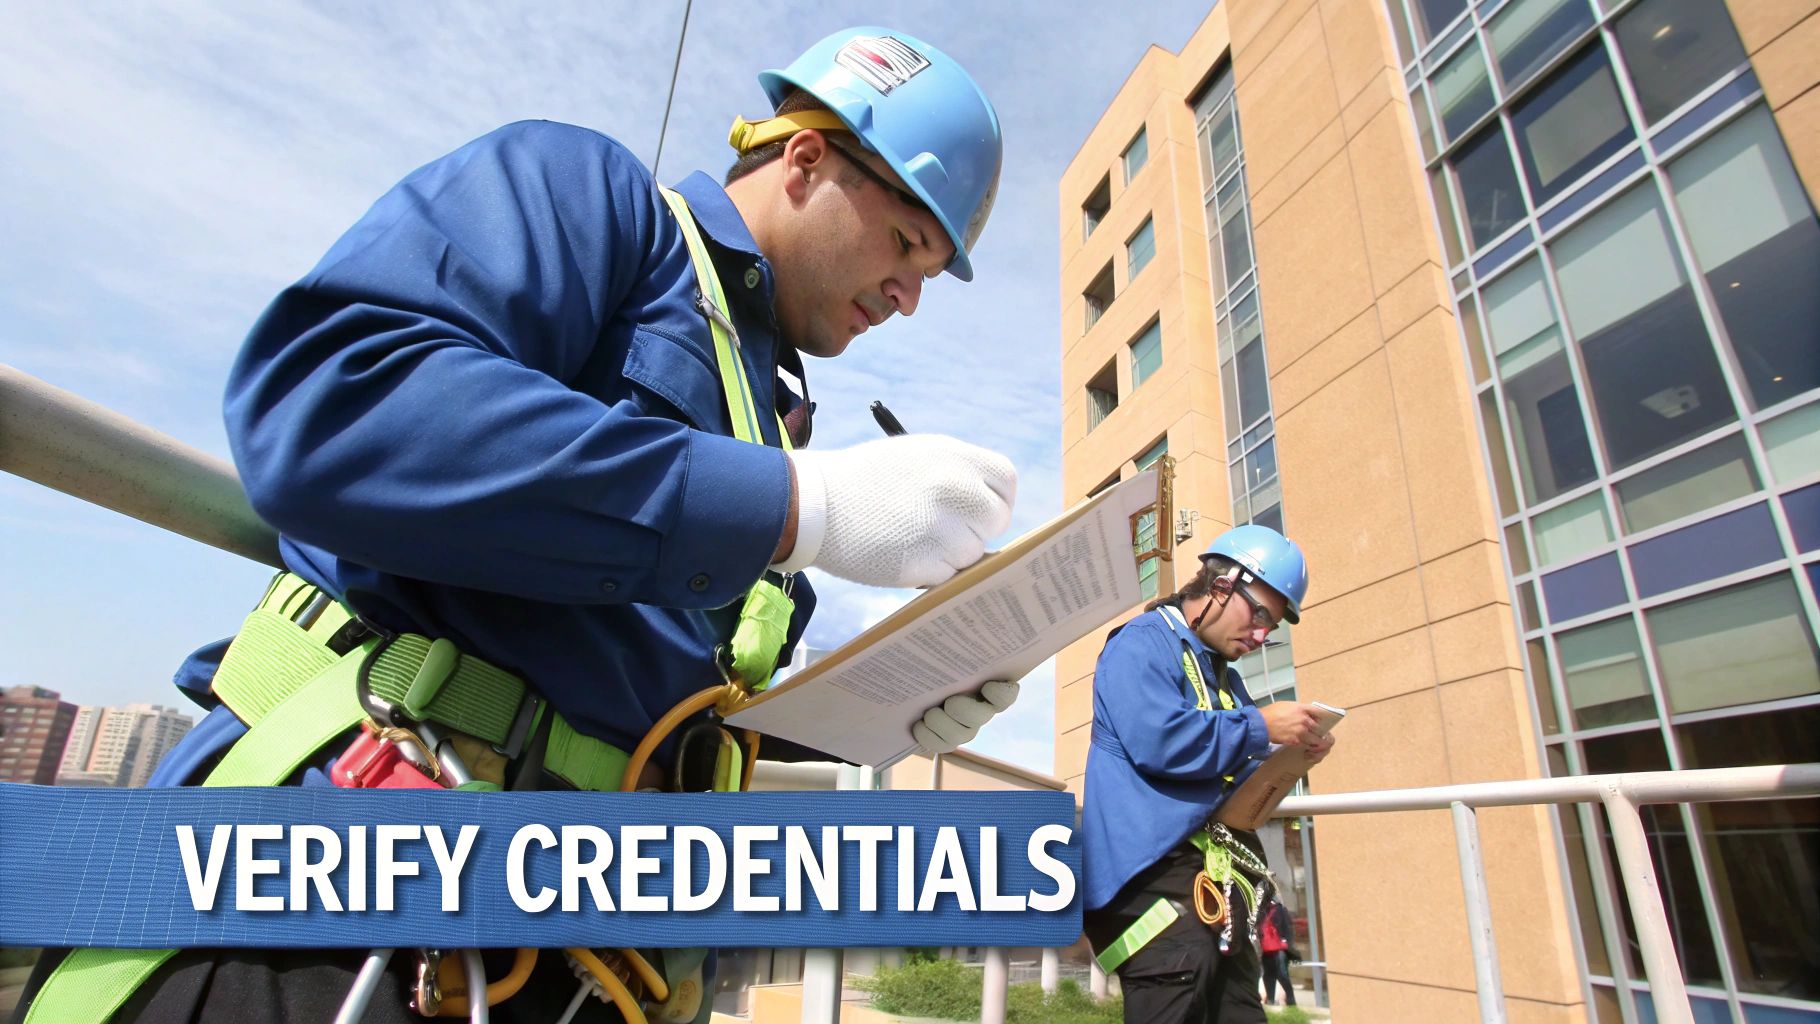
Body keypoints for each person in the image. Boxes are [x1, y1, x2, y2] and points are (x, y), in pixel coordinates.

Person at [13, 26, 1018, 1024]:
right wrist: (799, 506)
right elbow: (333, 404)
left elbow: (662, 686)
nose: (907, 296)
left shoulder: (771, 415)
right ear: (804, 158)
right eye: (906, 244)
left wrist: (889, 704)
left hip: (566, 951)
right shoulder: (594, 199)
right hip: (344, 895)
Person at [1080, 524, 1336, 1024]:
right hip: (1152, 887)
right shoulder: (1140, 644)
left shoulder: (1225, 678)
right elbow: (1160, 742)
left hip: (1218, 897)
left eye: (1272, 626)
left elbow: (1233, 772)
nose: (1262, 635)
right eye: (1259, 613)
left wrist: (1290, 759)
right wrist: (1261, 727)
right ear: (1221, 585)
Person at [1258, 895, 1296, 1007]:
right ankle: (1271, 999)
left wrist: (1287, 944)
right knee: (1269, 974)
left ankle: (1290, 1000)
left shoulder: (1279, 910)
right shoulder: (1261, 912)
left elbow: (1287, 928)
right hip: (1267, 948)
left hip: (1279, 948)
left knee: (1281, 974)